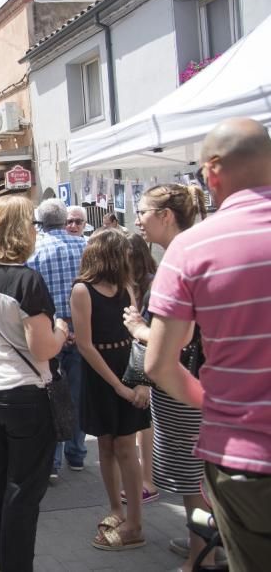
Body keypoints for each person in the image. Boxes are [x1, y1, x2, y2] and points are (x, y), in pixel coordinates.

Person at [145, 118, 271, 571]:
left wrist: (211, 403)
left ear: (213, 170)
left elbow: (159, 363)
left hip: (246, 459)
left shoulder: (194, 247)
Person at [0, 197, 69, 572]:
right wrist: (61, 331)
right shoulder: (26, 280)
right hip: (26, 395)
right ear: (23, 231)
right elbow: (43, 347)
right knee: (24, 492)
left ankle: (1, 559)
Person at [123, 183, 218, 570]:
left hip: (185, 388)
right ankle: (206, 546)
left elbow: (181, 338)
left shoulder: (180, 259)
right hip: (199, 384)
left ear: (165, 216)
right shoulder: (197, 250)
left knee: (194, 487)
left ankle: (201, 558)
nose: (138, 220)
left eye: (143, 211)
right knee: (201, 484)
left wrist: (139, 329)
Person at [71, 229, 151, 551]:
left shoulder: (126, 287)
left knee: (126, 448)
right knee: (106, 444)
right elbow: (86, 346)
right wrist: (119, 386)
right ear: (111, 256)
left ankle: (136, 521)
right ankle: (118, 510)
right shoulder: (82, 290)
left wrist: (141, 381)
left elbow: (137, 336)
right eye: (124, 254)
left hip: (124, 367)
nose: (129, 259)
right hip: (101, 373)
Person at [27, 198, 87, 480]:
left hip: (47, 326)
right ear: (65, 221)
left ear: (40, 222)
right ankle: (76, 453)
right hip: (81, 326)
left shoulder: (34, 250)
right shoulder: (85, 246)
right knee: (75, 394)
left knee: (49, 393)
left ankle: (52, 461)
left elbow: (28, 295)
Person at [126, 234, 159, 506]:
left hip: (149, 363)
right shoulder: (135, 283)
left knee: (146, 424)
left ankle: (149, 479)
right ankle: (146, 476)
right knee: (143, 425)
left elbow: (144, 331)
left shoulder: (149, 284)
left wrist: (145, 381)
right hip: (141, 361)